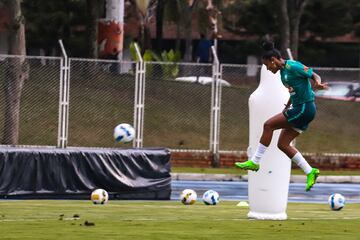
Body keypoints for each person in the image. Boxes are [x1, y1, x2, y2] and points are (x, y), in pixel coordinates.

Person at [235, 41, 328, 192]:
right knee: (282, 145)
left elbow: (314, 74)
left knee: (268, 125)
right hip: (301, 108)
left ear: (273, 60)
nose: (267, 68)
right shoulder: (282, 74)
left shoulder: (293, 66)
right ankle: (310, 171)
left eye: (267, 65)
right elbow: (294, 90)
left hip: (305, 108)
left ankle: (255, 162)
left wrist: (318, 83)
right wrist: (288, 104)